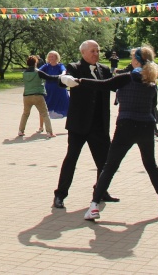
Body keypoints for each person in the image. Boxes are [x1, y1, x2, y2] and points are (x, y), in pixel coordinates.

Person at [63, 45, 158, 221]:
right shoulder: (151, 79)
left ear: (136, 60)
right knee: (151, 165)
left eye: (132, 57)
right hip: (146, 126)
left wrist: (79, 81)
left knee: (110, 166)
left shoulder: (127, 78)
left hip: (126, 126)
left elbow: (103, 85)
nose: (130, 60)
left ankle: (94, 206)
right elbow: (154, 102)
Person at [51, 40, 117, 210]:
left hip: (99, 125)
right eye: (93, 51)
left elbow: (115, 85)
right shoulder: (74, 67)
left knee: (104, 162)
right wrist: (66, 79)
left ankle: (101, 191)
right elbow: (63, 79)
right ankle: (60, 195)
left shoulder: (104, 70)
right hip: (79, 124)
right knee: (71, 160)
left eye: (98, 50)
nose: (96, 53)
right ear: (84, 53)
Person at [19, 55, 55, 137]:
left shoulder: (24, 73)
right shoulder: (38, 72)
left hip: (27, 96)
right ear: (35, 63)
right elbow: (49, 77)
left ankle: (21, 131)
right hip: (38, 95)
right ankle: (49, 132)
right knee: (45, 113)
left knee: (25, 114)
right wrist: (60, 77)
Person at [39, 51, 69, 119]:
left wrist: (62, 74)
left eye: (52, 56)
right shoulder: (46, 66)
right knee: (46, 104)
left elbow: (64, 71)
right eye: (49, 56)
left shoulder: (60, 65)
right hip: (49, 88)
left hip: (59, 88)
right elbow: (39, 71)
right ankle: (42, 125)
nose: (51, 58)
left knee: (61, 104)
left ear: (56, 57)